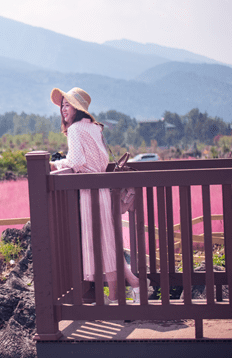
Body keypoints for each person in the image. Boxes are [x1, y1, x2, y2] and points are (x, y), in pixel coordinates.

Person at [49, 87, 143, 304]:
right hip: (101, 190)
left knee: (102, 244)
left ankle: (123, 294)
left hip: (89, 192)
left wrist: (56, 164)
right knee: (107, 242)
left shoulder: (74, 130)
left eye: (67, 104)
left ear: (77, 108)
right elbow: (97, 162)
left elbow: (77, 162)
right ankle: (128, 289)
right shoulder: (94, 127)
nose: (63, 109)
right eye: (62, 105)